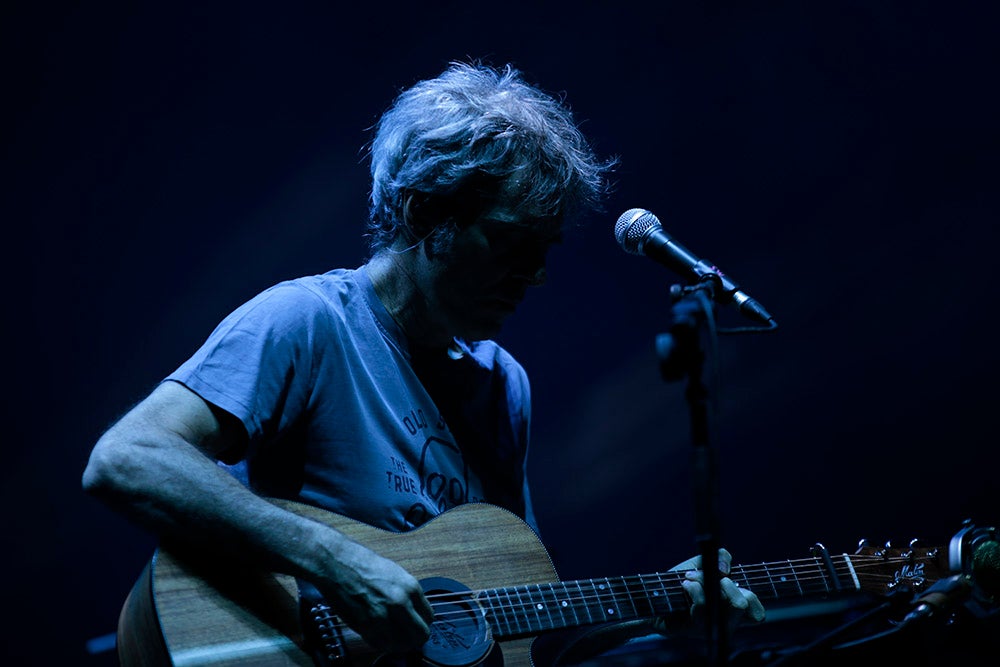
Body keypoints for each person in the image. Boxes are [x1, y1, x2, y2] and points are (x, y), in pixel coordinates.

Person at [82, 60, 764, 664]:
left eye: (545, 249)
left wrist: (663, 610)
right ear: (422, 211)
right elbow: (127, 456)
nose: (535, 275)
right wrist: (336, 560)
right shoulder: (308, 321)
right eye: (511, 242)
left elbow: (523, 632)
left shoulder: (504, 385)